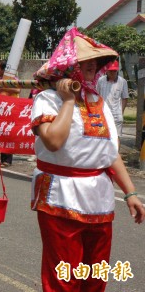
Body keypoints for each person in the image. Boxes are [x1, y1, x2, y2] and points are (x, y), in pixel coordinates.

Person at [31, 28, 144, 291]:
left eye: (95, 61)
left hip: (99, 197)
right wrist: (68, 101)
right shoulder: (47, 99)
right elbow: (54, 141)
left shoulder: (99, 101)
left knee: (95, 272)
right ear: (69, 65)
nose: (92, 64)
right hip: (60, 192)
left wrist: (130, 193)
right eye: (84, 61)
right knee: (64, 273)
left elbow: (109, 152)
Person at [96, 60, 128, 142]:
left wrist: (121, 111)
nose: (112, 73)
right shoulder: (100, 81)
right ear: (106, 71)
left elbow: (125, 98)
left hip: (116, 114)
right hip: (103, 113)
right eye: (110, 71)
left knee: (116, 138)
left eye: (114, 71)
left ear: (117, 70)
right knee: (103, 136)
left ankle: (116, 154)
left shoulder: (122, 82)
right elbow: (97, 96)